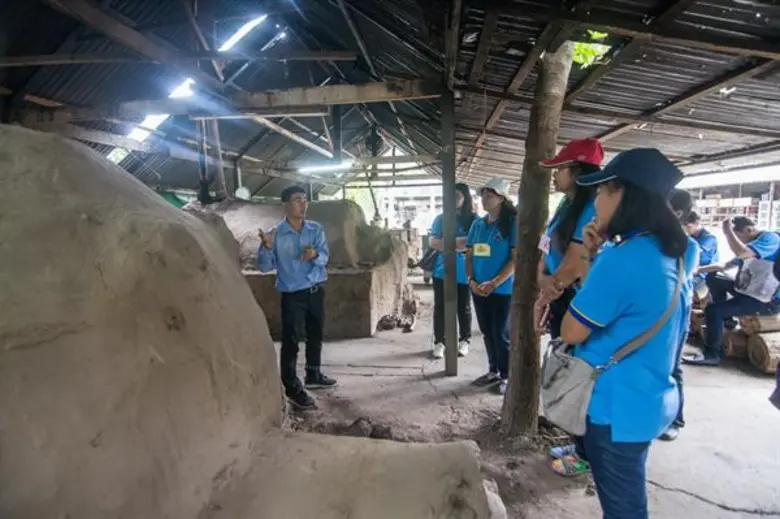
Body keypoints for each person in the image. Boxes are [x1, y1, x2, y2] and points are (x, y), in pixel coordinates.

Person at [557, 148, 698, 518]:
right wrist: (591, 255)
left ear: (626, 195)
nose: (597, 202)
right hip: (649, 398)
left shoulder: (622, 259)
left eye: (604, 191)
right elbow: (612, 307)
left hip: (612, 406)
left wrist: (595, 260)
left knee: (624, 509)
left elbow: (572, 330)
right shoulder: (679, 251)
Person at [257, 185, 336, 410]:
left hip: (316, 289)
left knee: (316, 334)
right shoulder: (275, 234)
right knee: (291, 342)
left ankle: (314, 373)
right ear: (285, 205)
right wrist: (266, 248)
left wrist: (315, 254)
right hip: (293, 295)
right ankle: (292, 387)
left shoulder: (315, 229)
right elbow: (263, 267)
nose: (303, 204)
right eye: (297, 200)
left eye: (304, 200)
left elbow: (325, 257)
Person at [685, 216, 780, 366]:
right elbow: (723, 266)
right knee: (714, 277)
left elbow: (741, 252)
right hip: (748, 290)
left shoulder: (770, 239)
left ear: (748, 230)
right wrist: (692, 271)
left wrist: (728, 231)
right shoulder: (753, 244)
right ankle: (726, 320)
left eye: (738, 236)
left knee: (713, 310)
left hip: (765, 300)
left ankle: (711, 354)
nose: (737, 241)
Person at [535, 138, 604, 338]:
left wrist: (546, 293)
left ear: (578, 171)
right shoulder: (566, 204)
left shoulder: (592, 206)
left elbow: (576, 261)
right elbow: (545, 244)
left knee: (569, 355)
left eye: (559, 168)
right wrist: (541, 277)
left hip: (573, 293)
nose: (554, 174)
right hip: (556, 289)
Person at [465, 178, 517, 395]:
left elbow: (515, 259)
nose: (485, 199)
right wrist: (471, 280)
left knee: (500, 333)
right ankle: (493, 370)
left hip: (502, 290)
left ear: (502, 198)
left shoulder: (512, 223)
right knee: (487, 331)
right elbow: (470, 255)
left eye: (490, 195)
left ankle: (507, 375)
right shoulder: (478, 224)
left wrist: (494, 282)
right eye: (483, 195)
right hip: (478, 288)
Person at [659, 189, 701, 442]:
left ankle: (675, 419)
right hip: (653, 316)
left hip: (675, 316)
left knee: (672, 367)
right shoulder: (649, 239)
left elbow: (674, 281)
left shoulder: (690, 246)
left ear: (677, 212)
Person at [429, 183, 477, 359]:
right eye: (450, 196)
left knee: (463, 307)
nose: (453, 199)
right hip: (441, 271)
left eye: (457, 196)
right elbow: (433, 243)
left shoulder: (474, 220)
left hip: (465, 272)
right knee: (440, 307)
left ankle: (464, 340)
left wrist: (448, 243)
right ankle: (439, 342)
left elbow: (479, 247)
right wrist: (460, 244)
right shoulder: (440, 219)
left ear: (465, 198)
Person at [683, 211, 719, 300]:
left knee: (680, 287)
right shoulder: (691, 237)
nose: (686, 229)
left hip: (702, 276)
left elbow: (693, 251)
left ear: (697, 224)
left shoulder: (709, 238)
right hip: (691, 272)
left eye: (689, 226)